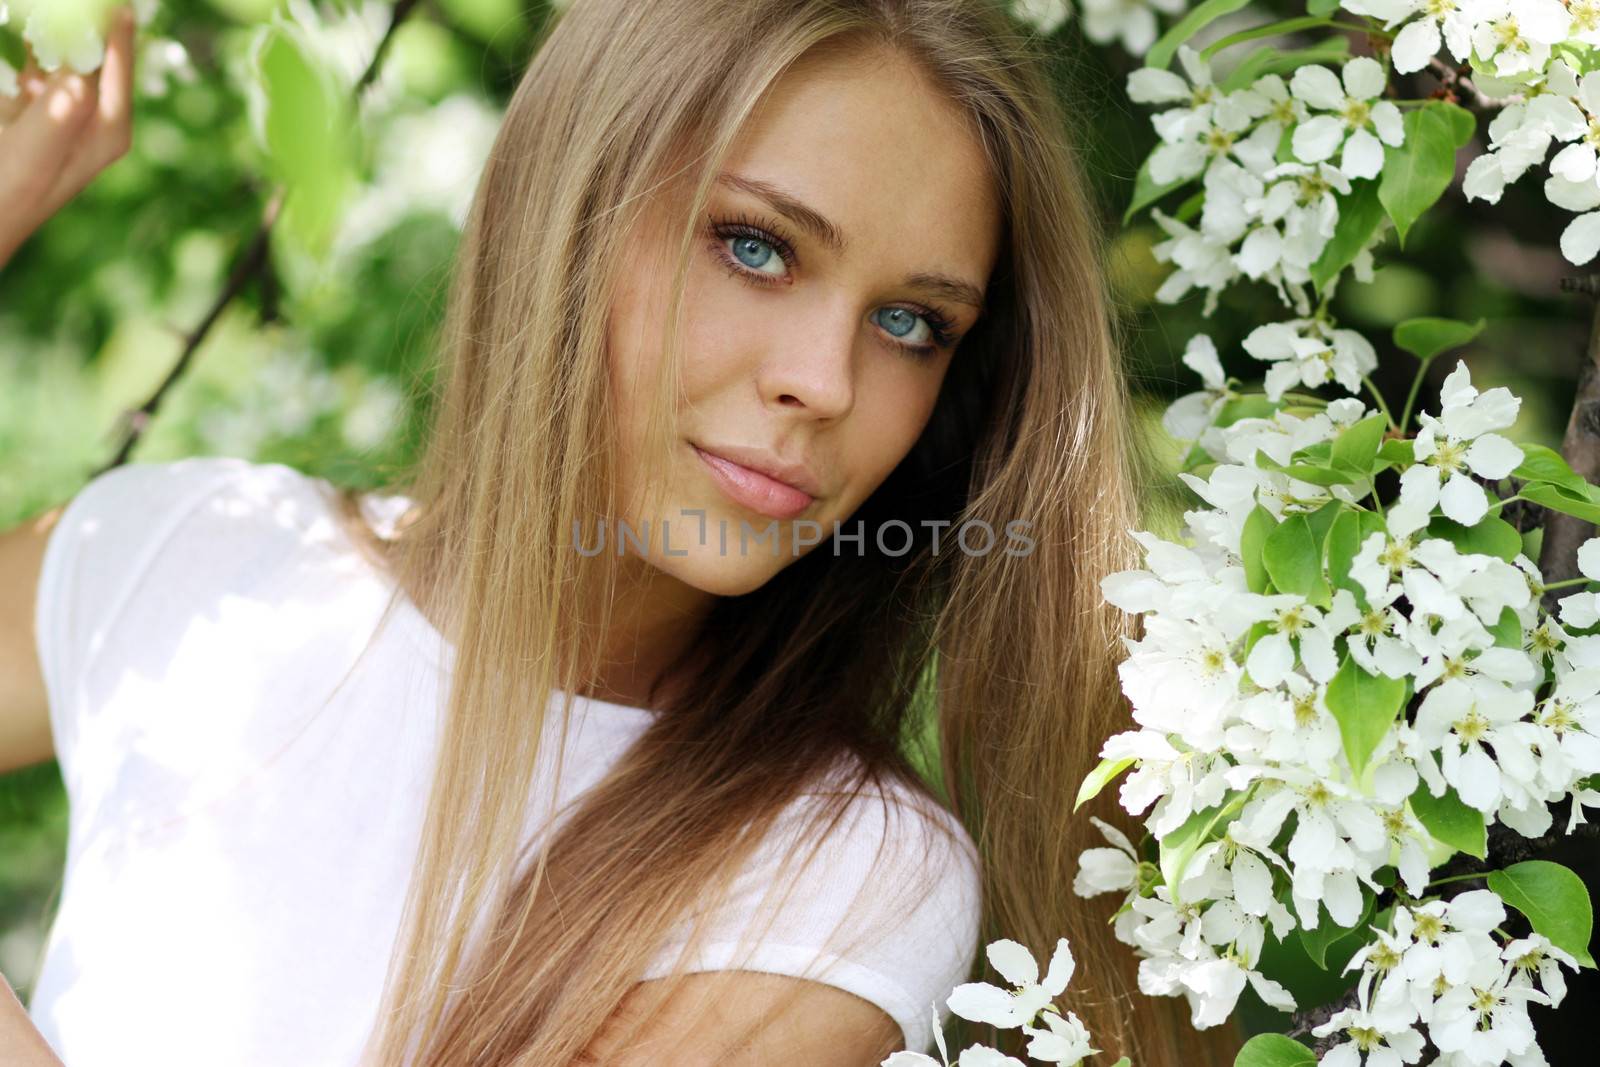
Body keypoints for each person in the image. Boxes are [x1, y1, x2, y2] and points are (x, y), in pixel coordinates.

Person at [0, 1, 1237, 1064]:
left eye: (912, 324)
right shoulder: (199, 557)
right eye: (757, 246)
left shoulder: (842, 872)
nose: (826, 382)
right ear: (568, 207)